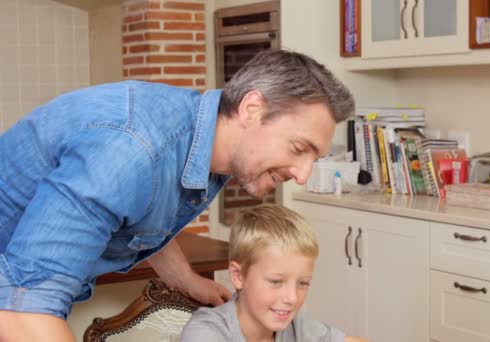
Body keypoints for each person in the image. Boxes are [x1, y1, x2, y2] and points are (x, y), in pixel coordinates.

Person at [0, 49, 355, 340]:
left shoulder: (205, 149)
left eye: (314, 158)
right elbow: (22, 311)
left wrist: (184, 279)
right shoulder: (130, 151)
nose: (303, 174)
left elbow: (142, 203)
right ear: (252, 109)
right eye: (298, 148)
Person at [180, 204, 368, 342]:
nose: (292, 298)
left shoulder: (297, 325)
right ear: (239, 276)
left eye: (303, 283)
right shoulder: (206, 331)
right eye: (276, 282)